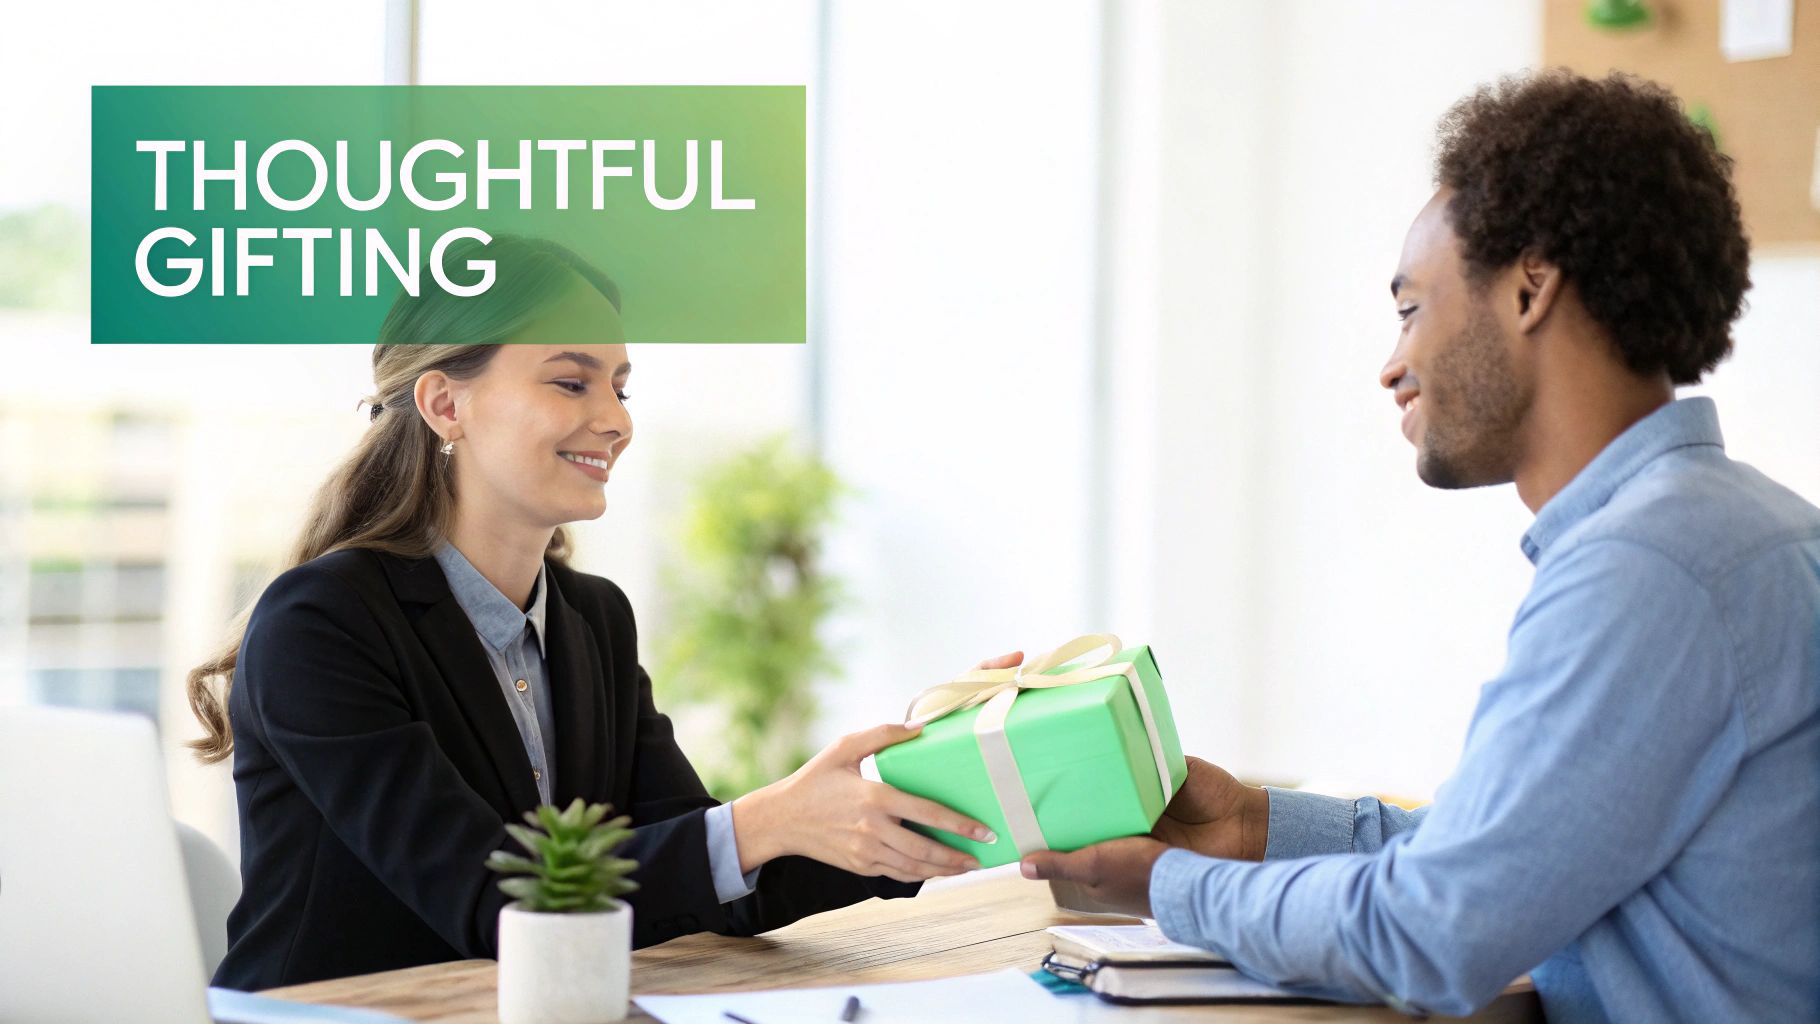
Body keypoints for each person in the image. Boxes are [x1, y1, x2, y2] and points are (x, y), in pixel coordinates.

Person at [1019, 70, 1820, 1021]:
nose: (1391, 366)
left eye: (1410, 309)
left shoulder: (1650, 571)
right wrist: (1250, 827)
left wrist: (1163, 889)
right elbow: (1507, 855)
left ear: (1530, 287)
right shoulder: (1746, 533)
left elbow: (1429, 929)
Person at [191, 235, 1008, 990]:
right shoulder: (324, 622)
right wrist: (763, 822)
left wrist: (946, 778)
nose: (615, 419)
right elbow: (491, 901)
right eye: (570, 381)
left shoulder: (591, 621)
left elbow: (706, 883)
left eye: (619, 386)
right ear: (445, 404)